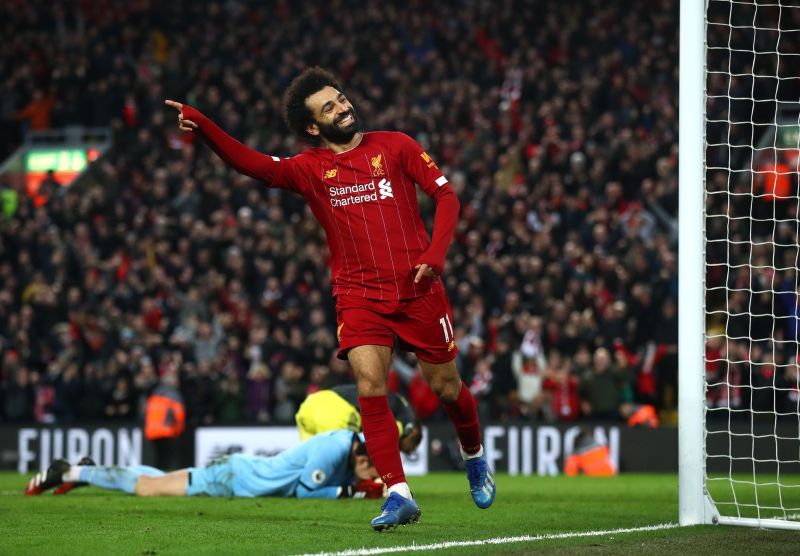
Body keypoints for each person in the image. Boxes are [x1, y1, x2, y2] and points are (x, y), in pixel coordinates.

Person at [164, 67, 495, 531]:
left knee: (446, 388)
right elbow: (252, 164)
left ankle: (473, 453)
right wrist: (205, 126)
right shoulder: (311, 169)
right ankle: (398, 493)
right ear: (313, 128)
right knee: (370, 387)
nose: (343, 107)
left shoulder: (396, 145)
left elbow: (448, 197)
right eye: (329, 108)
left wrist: (435, 255)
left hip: (418, 289)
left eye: (340, 99)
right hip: (359, 295)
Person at [26, 430, 385, 500]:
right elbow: (307, 491)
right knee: (149, 489)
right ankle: (72, 471)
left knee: (163, 480)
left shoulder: (344, 444)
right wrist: (352, 492)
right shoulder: (335, 447)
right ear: (361, 455)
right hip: (232, 479)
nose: (371, 473)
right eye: (372, 468)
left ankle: (92, 470)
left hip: (240, 475)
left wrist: (354, 488)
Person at [296, 384, 422, 454]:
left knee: (306, 457)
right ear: (414, 432)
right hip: (337, 408)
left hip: (310, 404)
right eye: (415, 444)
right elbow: (384, 438)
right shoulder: (407, 421)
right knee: (345, 457)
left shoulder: (396, 402)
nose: (411, 450)